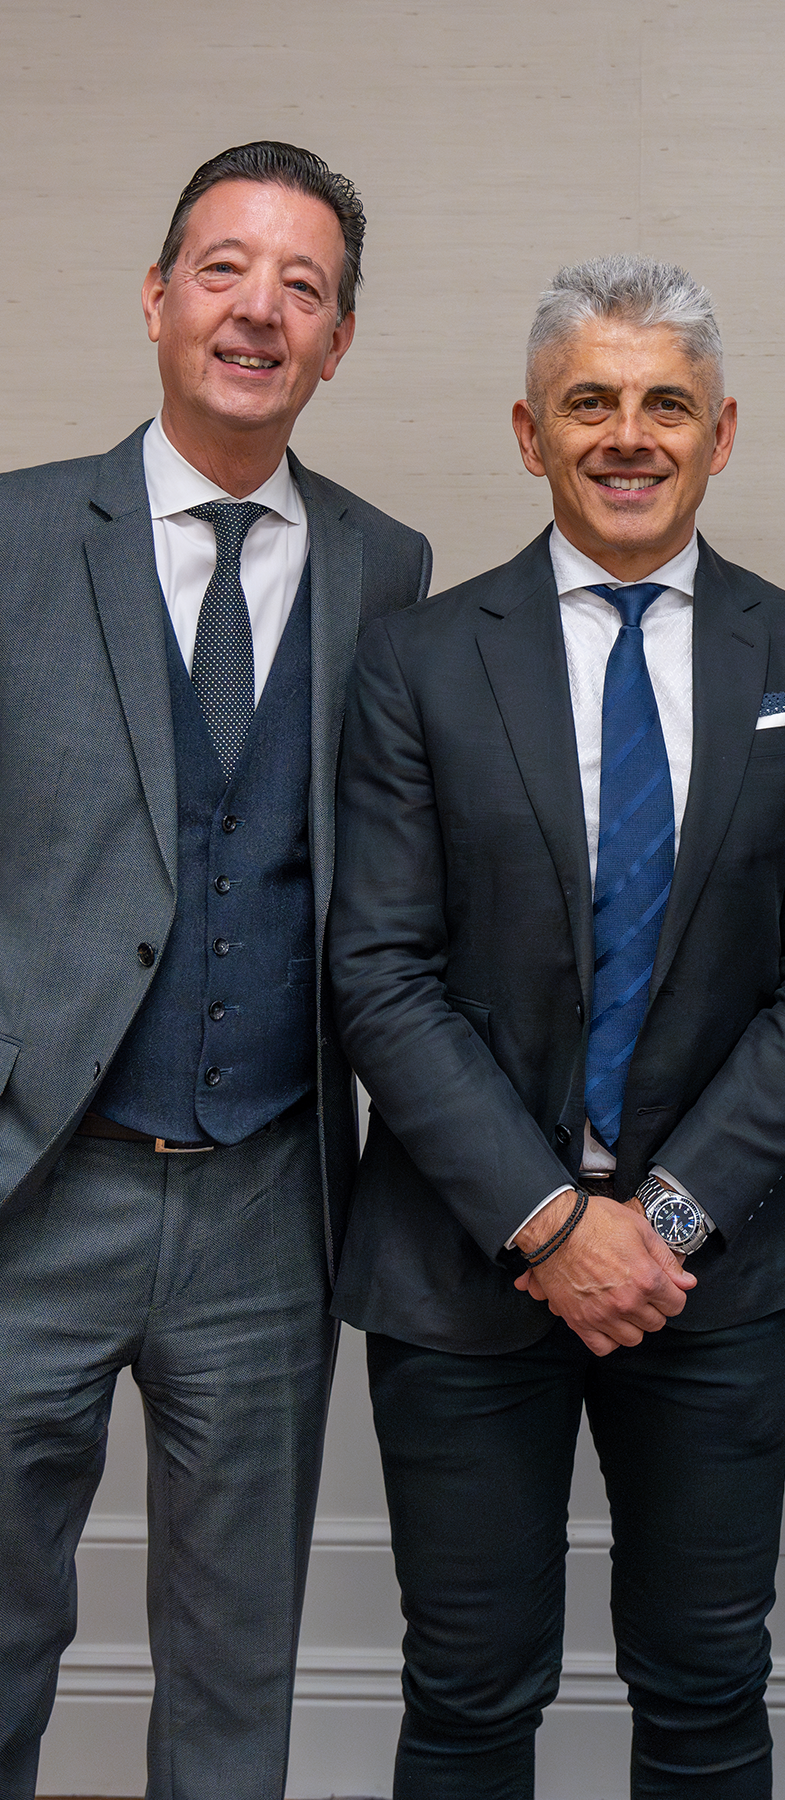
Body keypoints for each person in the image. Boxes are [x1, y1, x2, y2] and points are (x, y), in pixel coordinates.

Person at [327, 254, 785, 1800]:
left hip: (709, 1278)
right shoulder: (418, 661)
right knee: (465, 1695)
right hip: (461, 1264)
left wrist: (663, 1221)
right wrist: (545, 1219)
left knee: (707, 1693)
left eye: (665, 405)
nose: (627, 435)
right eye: (591, 402)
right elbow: (380, 970)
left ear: (722, 432)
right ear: (530, 432)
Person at [0, 142, 431, 1800]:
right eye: (227, 268)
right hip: (37, 1182)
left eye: (304, 288)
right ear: (159, 295)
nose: (260, 308)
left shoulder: (387, 568)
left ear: (337, 343)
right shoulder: (26, 531)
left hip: (267, 1193)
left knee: (237, 1663)